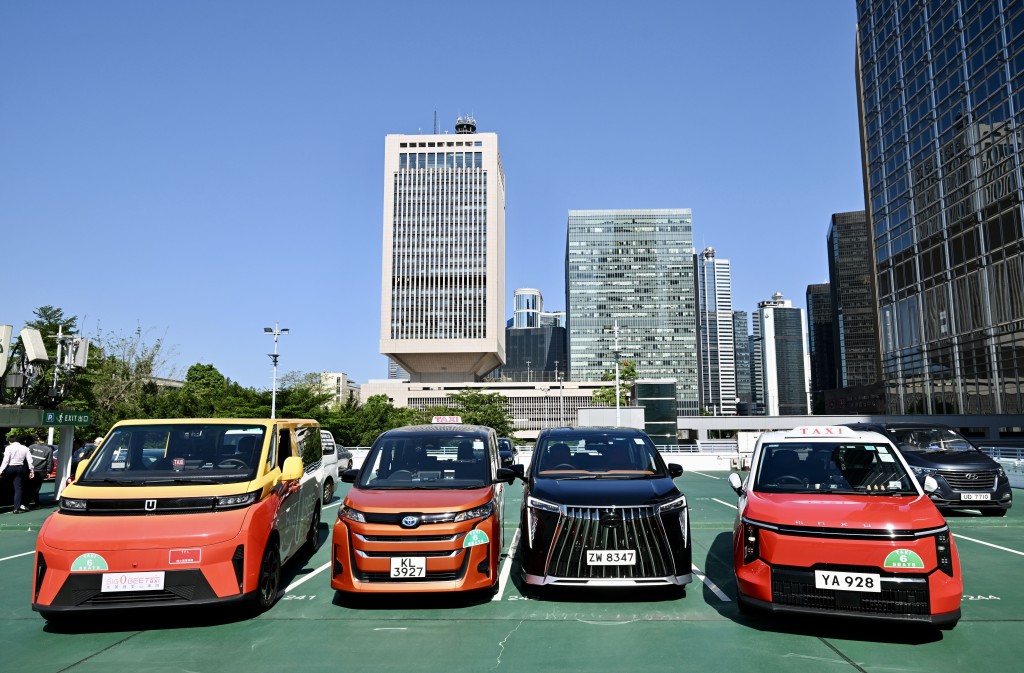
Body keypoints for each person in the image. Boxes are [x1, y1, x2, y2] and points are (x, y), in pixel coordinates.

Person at [0, 438, 35, 513]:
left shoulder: (9, 448)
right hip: (20, 468)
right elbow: (30, 460)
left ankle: (4, 502)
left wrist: (1, 470)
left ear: (10, 441)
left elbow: (5, 460)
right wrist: (32, 471)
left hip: (10, 468)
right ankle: (16, 507)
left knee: (4, 485)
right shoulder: (25, 448)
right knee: (18, 488)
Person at [26, 436, 54, 508]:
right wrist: (49, 472)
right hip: (41, 471)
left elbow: (26, 458)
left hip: (30, 470)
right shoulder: (48, 449)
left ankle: (27, 503)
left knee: (29, 487)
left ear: (38, 438)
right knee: (37, 488)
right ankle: (36, 503)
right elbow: (50, 462)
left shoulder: (31, 447)